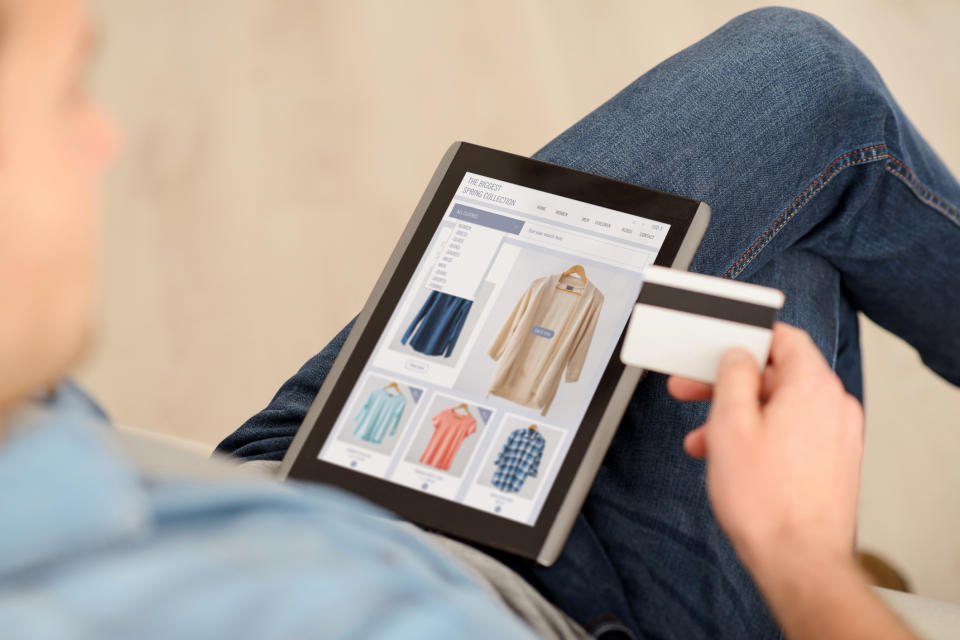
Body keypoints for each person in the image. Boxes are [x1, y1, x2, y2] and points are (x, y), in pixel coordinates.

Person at [0, 0, 955, 637]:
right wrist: (803, 558)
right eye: (63, 95)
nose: (104, 138)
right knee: (791, 246)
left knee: (793, 87)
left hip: (270, 478)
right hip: (526, 601)